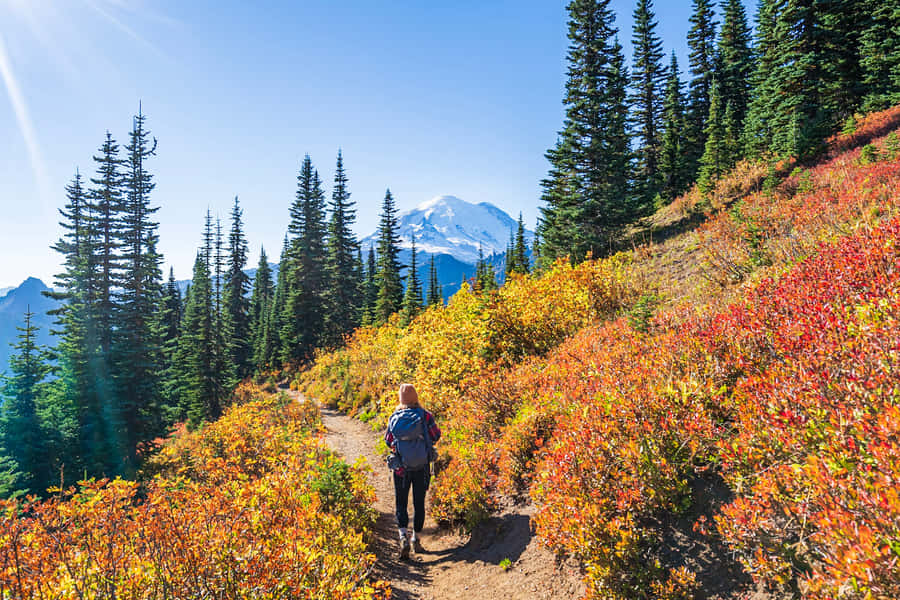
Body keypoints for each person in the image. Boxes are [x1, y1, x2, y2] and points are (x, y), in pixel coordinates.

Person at [384, 383, 441, 559]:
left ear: (401, 399)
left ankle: (403, 537)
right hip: (422, 467)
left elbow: (388, 440)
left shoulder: (395, 417)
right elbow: (436, 435)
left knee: (401, 503)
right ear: (416, 397)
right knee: (419, 503)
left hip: (401, 468)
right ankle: (416, 539)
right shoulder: (425, 415)